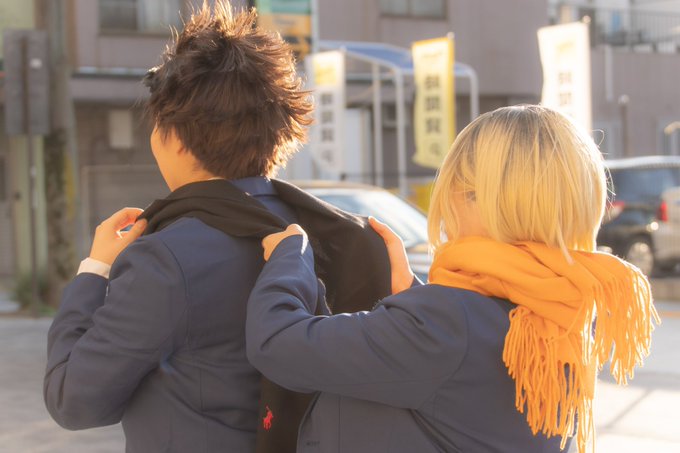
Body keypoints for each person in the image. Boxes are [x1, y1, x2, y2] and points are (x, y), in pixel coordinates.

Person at [44, 2, 392, 452]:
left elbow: (74, 400)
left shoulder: (167, 258)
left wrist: (94, 270)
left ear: (176, 137)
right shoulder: (328, 232)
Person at [246, 105, 659, 453]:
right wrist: (413, 298)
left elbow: (277, 344)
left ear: (475, 197)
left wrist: (290, 257)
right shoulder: (562, 309)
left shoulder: (444, 324)